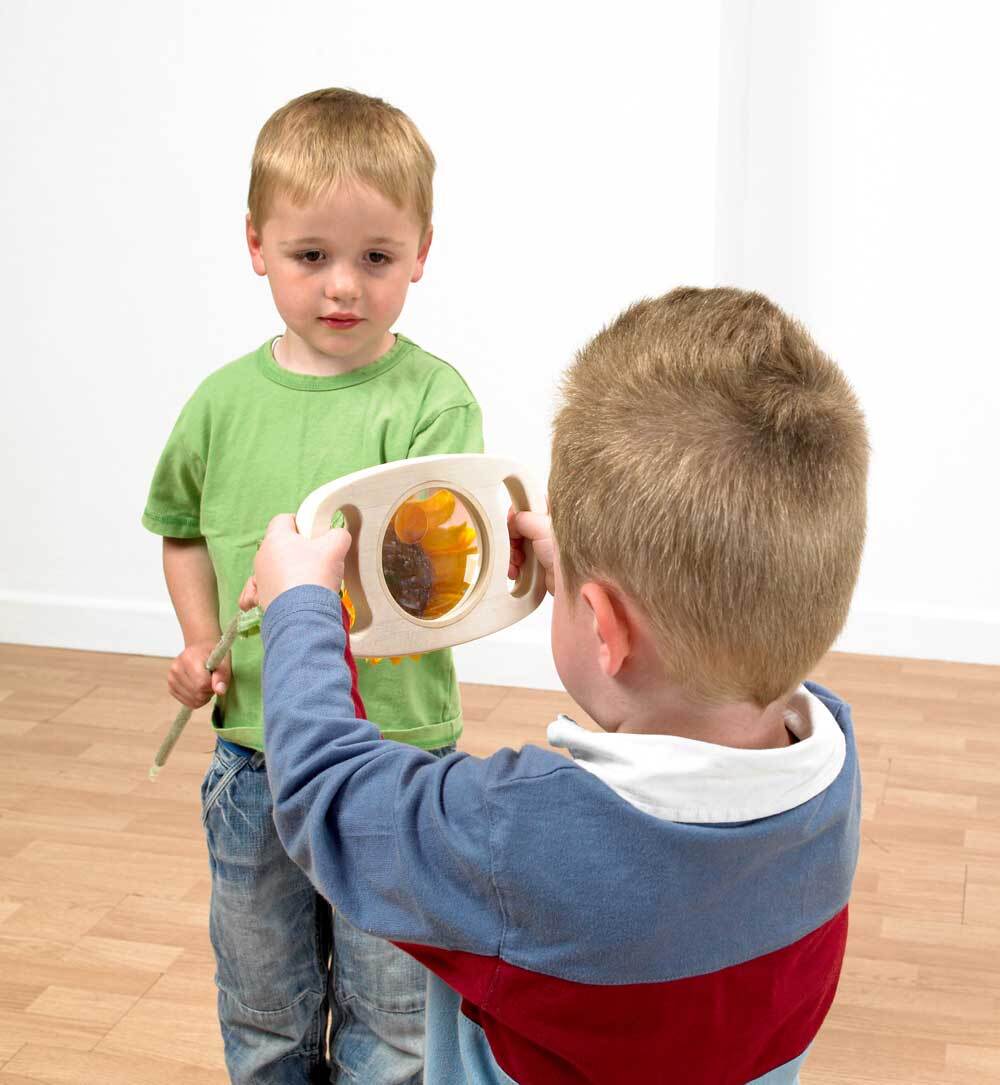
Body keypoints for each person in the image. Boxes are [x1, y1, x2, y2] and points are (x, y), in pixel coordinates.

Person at [246, 287, 868, 1084]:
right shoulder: (831, 771)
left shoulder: (521, 838)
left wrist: (302, 609)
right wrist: (595, 567)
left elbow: (327, 798)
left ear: (604, 629)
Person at [142, 87, 483, 1084]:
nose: (343, 286)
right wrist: (198, 637)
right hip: (253, 759)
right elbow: (179, 530)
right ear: (257, 244)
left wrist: (307, 595)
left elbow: (430, 576)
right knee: (264, 1002)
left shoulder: (432, 399)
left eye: (376, 258)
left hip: (392, 760)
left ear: (420, 251)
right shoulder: (220, 402)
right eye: (310, 256)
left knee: (394, 1011)